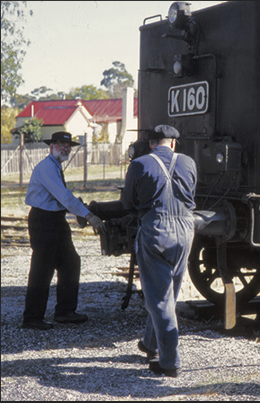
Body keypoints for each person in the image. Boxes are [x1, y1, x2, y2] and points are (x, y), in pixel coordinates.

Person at [121, 125, 197, 378]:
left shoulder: (140, 164)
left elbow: (127, 203)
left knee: (158, 297)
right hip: (186, 229)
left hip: (156, 229)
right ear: (173, 144)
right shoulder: (189, 163)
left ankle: (170, 362)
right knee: (169, 294)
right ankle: (151, 343)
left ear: (152, 144)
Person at [22, 131, 106, 331]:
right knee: (42, 269)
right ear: (51, 146)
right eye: (61, 145)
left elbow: (64, 199)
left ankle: (65, 312)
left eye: (68, 146)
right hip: (44, 220)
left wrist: (81, 209)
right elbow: (63, 196)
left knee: (70, 262)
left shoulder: (55, 166)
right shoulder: (46, 168)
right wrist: (89, 216)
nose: (65, 149)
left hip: (56, 220)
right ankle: (32, 318)